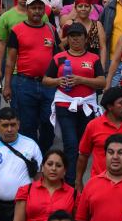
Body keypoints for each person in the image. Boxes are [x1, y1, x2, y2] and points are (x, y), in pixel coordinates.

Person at [43, 22, 106, 185]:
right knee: (70, 144)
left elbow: (102, 82)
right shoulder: (59, 57)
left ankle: (78, 179)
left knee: (83, 147)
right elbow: (45, 80)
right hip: (65, 105)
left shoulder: (93, 58)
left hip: (87, 107)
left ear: (86, 39)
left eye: (79, 36)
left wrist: (81, 80)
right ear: (68, 39)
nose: (76, 39)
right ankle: (70, 184)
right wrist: (58, 80)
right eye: (72, 36)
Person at [3, 0, 59, 153]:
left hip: (48, 84)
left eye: (40, 8)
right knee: (28, 125)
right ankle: (32, 157)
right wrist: (7, 86)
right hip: (24, 83)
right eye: (33, 8)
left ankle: (42, 151)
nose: (37, 11)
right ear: (27, 10)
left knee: (49, 122)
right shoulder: (16, 30)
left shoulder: (51, 29)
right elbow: (10, 61)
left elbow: (57, 58)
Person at [13, 149, 76, 221]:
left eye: (58, 166)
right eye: (49, 164)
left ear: (65, 171)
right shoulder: (26, 190)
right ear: (42, 167)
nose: (53, 168)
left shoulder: (74, 194)